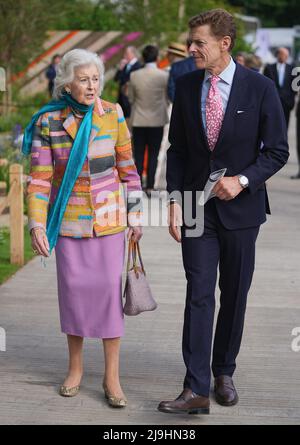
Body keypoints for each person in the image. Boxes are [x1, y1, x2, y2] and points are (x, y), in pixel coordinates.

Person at [158, 9, 289, 415]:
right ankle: (194, 388)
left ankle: (223, 372)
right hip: (196, 206)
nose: (191, 48)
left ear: (224, 43)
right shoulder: (184, 85)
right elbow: (177, 150)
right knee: (198, 293)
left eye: (199, 42)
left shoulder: (260, 88)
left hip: (242, 209)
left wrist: (244, 180)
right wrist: (176, 200)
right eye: (191, 41)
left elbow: (277, 151)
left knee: (233, 293)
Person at [24, 49, 143, 407]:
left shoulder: (113, 114)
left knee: (108, 295)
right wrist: (36, 224)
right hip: (70, 222)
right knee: (73, 294)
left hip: (108, 222)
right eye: (84, 79)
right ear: (67, 83)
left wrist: (135, 215)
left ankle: (111, 376)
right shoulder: (49, 122)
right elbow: (40, 180)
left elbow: (129, 171)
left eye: (95, 79)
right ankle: (74, 368)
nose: (92, 86)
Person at [128, 45, 169, 196]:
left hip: (139, 119)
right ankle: (150, 186)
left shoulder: (134, 75)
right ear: (157, 57)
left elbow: (131, 98)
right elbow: (167, 97)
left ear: (143, 58)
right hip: (157, 120)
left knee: (138, 154)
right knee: (154, 154)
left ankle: (137, 184)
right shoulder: (163, 76)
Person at [263, 47, 296, 128]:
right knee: (272, 124)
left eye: (287, 55)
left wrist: (291, 99)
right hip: (273, 100)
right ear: (278, 54)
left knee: (285, 125)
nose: (286, 57)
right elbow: (265, 84)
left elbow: (294, 86)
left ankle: (284, 140)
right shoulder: (269, 68)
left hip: (286, 103)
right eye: (284, 55)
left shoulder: (292, 68)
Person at [114, 46, 141, 118]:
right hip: (121, 99)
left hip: (130, 99)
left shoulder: (138, 66)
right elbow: (116, 79)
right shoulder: (124, 65)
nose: (124, 56)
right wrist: (120, 68)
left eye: (126, 53)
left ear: (133, 54)